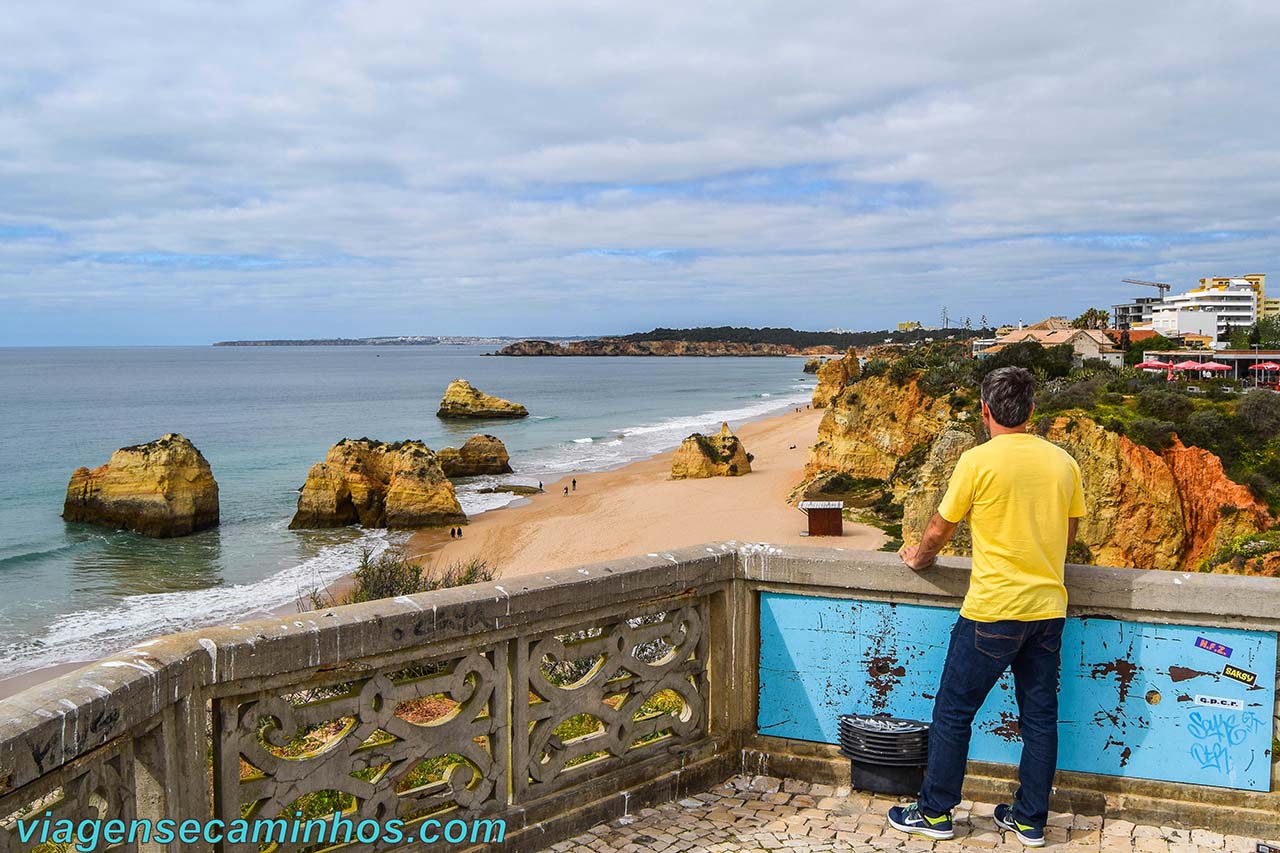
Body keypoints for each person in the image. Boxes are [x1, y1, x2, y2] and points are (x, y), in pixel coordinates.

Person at [887, 366, 1084, 849]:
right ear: (1031, 412)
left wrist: (919, 556)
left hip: (993, 609)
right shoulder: (1064, 463)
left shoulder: (977, 461)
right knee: (1039, 719)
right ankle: (1030, 820)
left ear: (985, 410)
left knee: (954, 711)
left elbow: (939, 527)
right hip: (1047, 610)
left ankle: (935, 812)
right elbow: (1070, 533)